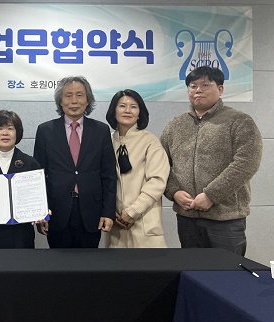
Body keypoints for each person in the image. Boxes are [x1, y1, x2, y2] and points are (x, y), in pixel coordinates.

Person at [160, 66, 262, 256]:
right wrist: (173, 192)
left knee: (227, 271)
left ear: (220, 89)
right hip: (187, 216)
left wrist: (211, 195)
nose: (198, 90)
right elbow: (161, 164)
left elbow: (247, 162)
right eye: (193, 86)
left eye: (205, 85)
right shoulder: (175, 125)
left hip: (226, 218)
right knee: (193, 269)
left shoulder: (239, 121)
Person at [33, 76, 116, 248]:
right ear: (60, 101)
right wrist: (40, 212)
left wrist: (108, 212)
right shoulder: (45, 131)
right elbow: (38, 176)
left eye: (79, 95)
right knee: (58, 262)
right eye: (68, 95)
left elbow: (108, 175)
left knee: (89, 262)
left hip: (91, 212)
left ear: (88, 100)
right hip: (57, 211)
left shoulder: (101, 131)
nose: (74, 101)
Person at [104, 90, 169, 248]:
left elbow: (157, 181)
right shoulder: (106, 141)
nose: (127, 110)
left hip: (144, 222)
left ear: (140, 113)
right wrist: (109, 211)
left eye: (133, 106)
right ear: (113, 111)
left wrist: (133, 211)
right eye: (122, 106)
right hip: (116, 226)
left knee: (148, 263)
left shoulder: (150, 141)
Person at [0, 110, 44, 249]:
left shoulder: (31, 164)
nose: (5, 133)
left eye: (10, 128)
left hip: (22, 237)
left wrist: (41, 213)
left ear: (17, 133)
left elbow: (39, 199)